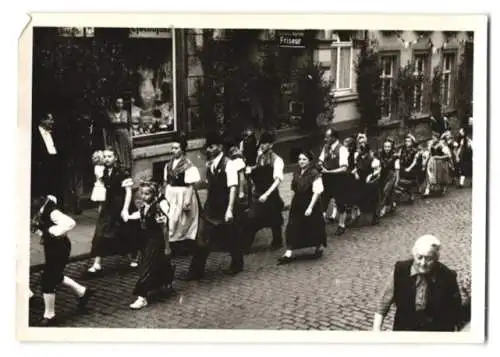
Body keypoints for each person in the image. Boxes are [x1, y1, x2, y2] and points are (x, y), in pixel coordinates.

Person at [184, 132, 244, 280]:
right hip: (211, 206)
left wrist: (230, 209)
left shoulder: (228, 164)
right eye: (208, 147)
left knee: (231, 237)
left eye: (211, 147)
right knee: (202, 237)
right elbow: (209, 183)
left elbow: (233, 187)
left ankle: (237, 263)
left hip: (225, 205)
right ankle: (196, 270)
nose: (209, 150)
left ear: (219, 147)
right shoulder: (210, 164)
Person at [373, 235, 462, 331]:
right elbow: (383, 302)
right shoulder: (400, 270)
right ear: (413, 255)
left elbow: (455, 311)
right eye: (419, 257)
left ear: (437, 258)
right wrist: (376, 329)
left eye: (429, 259)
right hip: (404, 330)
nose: (423, 263)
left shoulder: (448, 276)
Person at [31, 195, 94, 326]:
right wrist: (41, 232)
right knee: (55, 275)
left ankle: (50, 315)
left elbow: (70, 222)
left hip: (59, 247)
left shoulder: (52, 211)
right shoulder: (42, 210)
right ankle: (83, 292)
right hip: (52, 246)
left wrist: (51, 231)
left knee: (48, 279)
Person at [125, 182, 175, 310]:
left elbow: (164, 228)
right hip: (146, 240)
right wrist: (129, 216)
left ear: (153, 194)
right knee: (156, 263)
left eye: (147, 194)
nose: (143, 196)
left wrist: (167, 246)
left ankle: (142, 297)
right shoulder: (143, 207)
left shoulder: (157, 208)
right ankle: (164, 282)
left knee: (147, 266)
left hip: (156, 241)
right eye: (142, 193)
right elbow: (139, 216)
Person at [87, 148, 137, 274]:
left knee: (127, 231)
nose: (107, 159)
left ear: (115, 158)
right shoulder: (102, 171)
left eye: (110, 156)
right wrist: (101, 204)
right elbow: (102, 189)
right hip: (108, 204)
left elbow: (128, 191)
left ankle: (133, 257)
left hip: (121, 202)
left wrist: (125, 209)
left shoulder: (122, 171)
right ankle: (97, 262)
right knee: (101, 231)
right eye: (105, 156)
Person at [278, 149, 326, 265]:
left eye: (304, 159)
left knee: (313, 225)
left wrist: (310, 207)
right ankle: (289, 252)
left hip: (310, 202)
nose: (301, 161)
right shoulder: (297, 172)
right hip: (298, 202)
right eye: (300, 159)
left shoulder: (314, 173)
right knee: (293, 225)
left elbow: (317, 192)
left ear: (309, 161)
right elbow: (294, 189)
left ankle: (318, 246)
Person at [244, 131, 285, 251]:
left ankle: (277, 241)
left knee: (275, 219)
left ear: (271, 145)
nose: (262, 145)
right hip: (259, 192)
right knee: (253, 218)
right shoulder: (260, 157)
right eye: (261, 143)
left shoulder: (277, 160)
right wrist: (251, 170)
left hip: (271, 194)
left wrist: (267, 194)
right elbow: (258, 169)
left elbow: (278, 180)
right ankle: (245, 244)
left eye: (265, 143)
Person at [163, 133, 202, 255]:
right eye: (172, 148)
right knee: (171, 218)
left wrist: (187, 200)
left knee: (183, 220)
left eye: (176, 148)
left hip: (183, 193)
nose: (173, 151)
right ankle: (172, 244)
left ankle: (184, 245)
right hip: (171, 193)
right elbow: (166, 181)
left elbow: (191, 185)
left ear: (182, 149)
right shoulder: (168, 164)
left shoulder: (187, 165)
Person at [318, 127, 350, 235]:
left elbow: (344, 168)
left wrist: (329, 172)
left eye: (328, 137)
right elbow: (320, 160)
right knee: (323, 201)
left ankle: (341, 225)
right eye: (325, 136)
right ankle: (319, 224)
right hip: (326, 180)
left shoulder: (342, 149)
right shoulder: (325, 147)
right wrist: (321, 166)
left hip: (338, 180)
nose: (325, 139)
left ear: (334, 137)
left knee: (340, 203)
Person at [31, 113, 63, 202]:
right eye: (50, 119)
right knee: (43, 188)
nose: (53, 122)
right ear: (43, 120)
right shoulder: (34, 133)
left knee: (54, 187)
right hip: (42, 163)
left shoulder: (53, 132)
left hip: (54, 160)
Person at [352, 143, 381, 225]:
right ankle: (356, 216)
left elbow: (377, 171)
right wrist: (355, 173)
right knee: (355, 197)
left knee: (373, 198)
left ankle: (375, 217)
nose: (357, 150)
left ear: (364, 150)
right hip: (360, 180)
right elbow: (356, 167)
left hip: (370, 181)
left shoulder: (372, 159)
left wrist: (370, 176)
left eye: (359, 149)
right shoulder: (358, 157)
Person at [103, 97, 132, 171]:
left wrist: (130, 137)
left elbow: (130, 126)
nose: (120, 105)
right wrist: (106, 142)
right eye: (118, 103)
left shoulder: (126, 112)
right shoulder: (109, 113)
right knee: (116, 155)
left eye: (121, 103)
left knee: (125, 155)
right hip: (114, 137)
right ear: (114, 104)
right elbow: (106, 128)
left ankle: (126, 172)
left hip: (125, 137)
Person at [423, 132, 453, 197]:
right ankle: (427, 191)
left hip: (441, 163)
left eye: (434, 138)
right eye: (432, 138)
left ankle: (443, 189)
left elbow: (448, 156)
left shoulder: (442, 145)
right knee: (429, 176)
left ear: (437, 138)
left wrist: (438, 157)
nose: (433, 139)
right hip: (432, 163)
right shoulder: (431, 144)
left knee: (441, 177)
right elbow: (430, 153)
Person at [378, 138, 400, 217]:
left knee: (385, 190)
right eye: (385, 147)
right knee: (386, 191)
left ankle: (383, 208)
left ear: (391, 147)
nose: (387, 148)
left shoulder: (395, 155)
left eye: (388, 147)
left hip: (391, 175)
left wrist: (397, 179)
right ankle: (392, 203)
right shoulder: (380, 153)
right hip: (383, 174)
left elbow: (397, 168)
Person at [397, 134, 422, 203]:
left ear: (412, 143)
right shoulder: (402, 149)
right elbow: (399, 157)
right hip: (403, 167)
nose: (407, 143)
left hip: (410, 168)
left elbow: (414, 162)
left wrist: (409, 168)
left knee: (407, 181)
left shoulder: (414, 151)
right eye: (406, 141)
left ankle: (410, 194)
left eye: (408, 141)